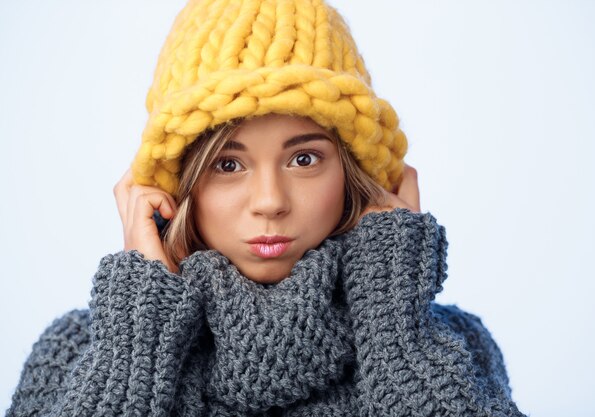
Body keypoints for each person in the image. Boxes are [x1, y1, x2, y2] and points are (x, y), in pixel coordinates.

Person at [6, 1, 527, 416]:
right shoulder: (82, 351)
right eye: (227, 165)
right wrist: (135, 342)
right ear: (175, 185)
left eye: (304, 158)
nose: (271, 202)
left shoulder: (446, 343)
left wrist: (394, 322)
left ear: (355, 173)